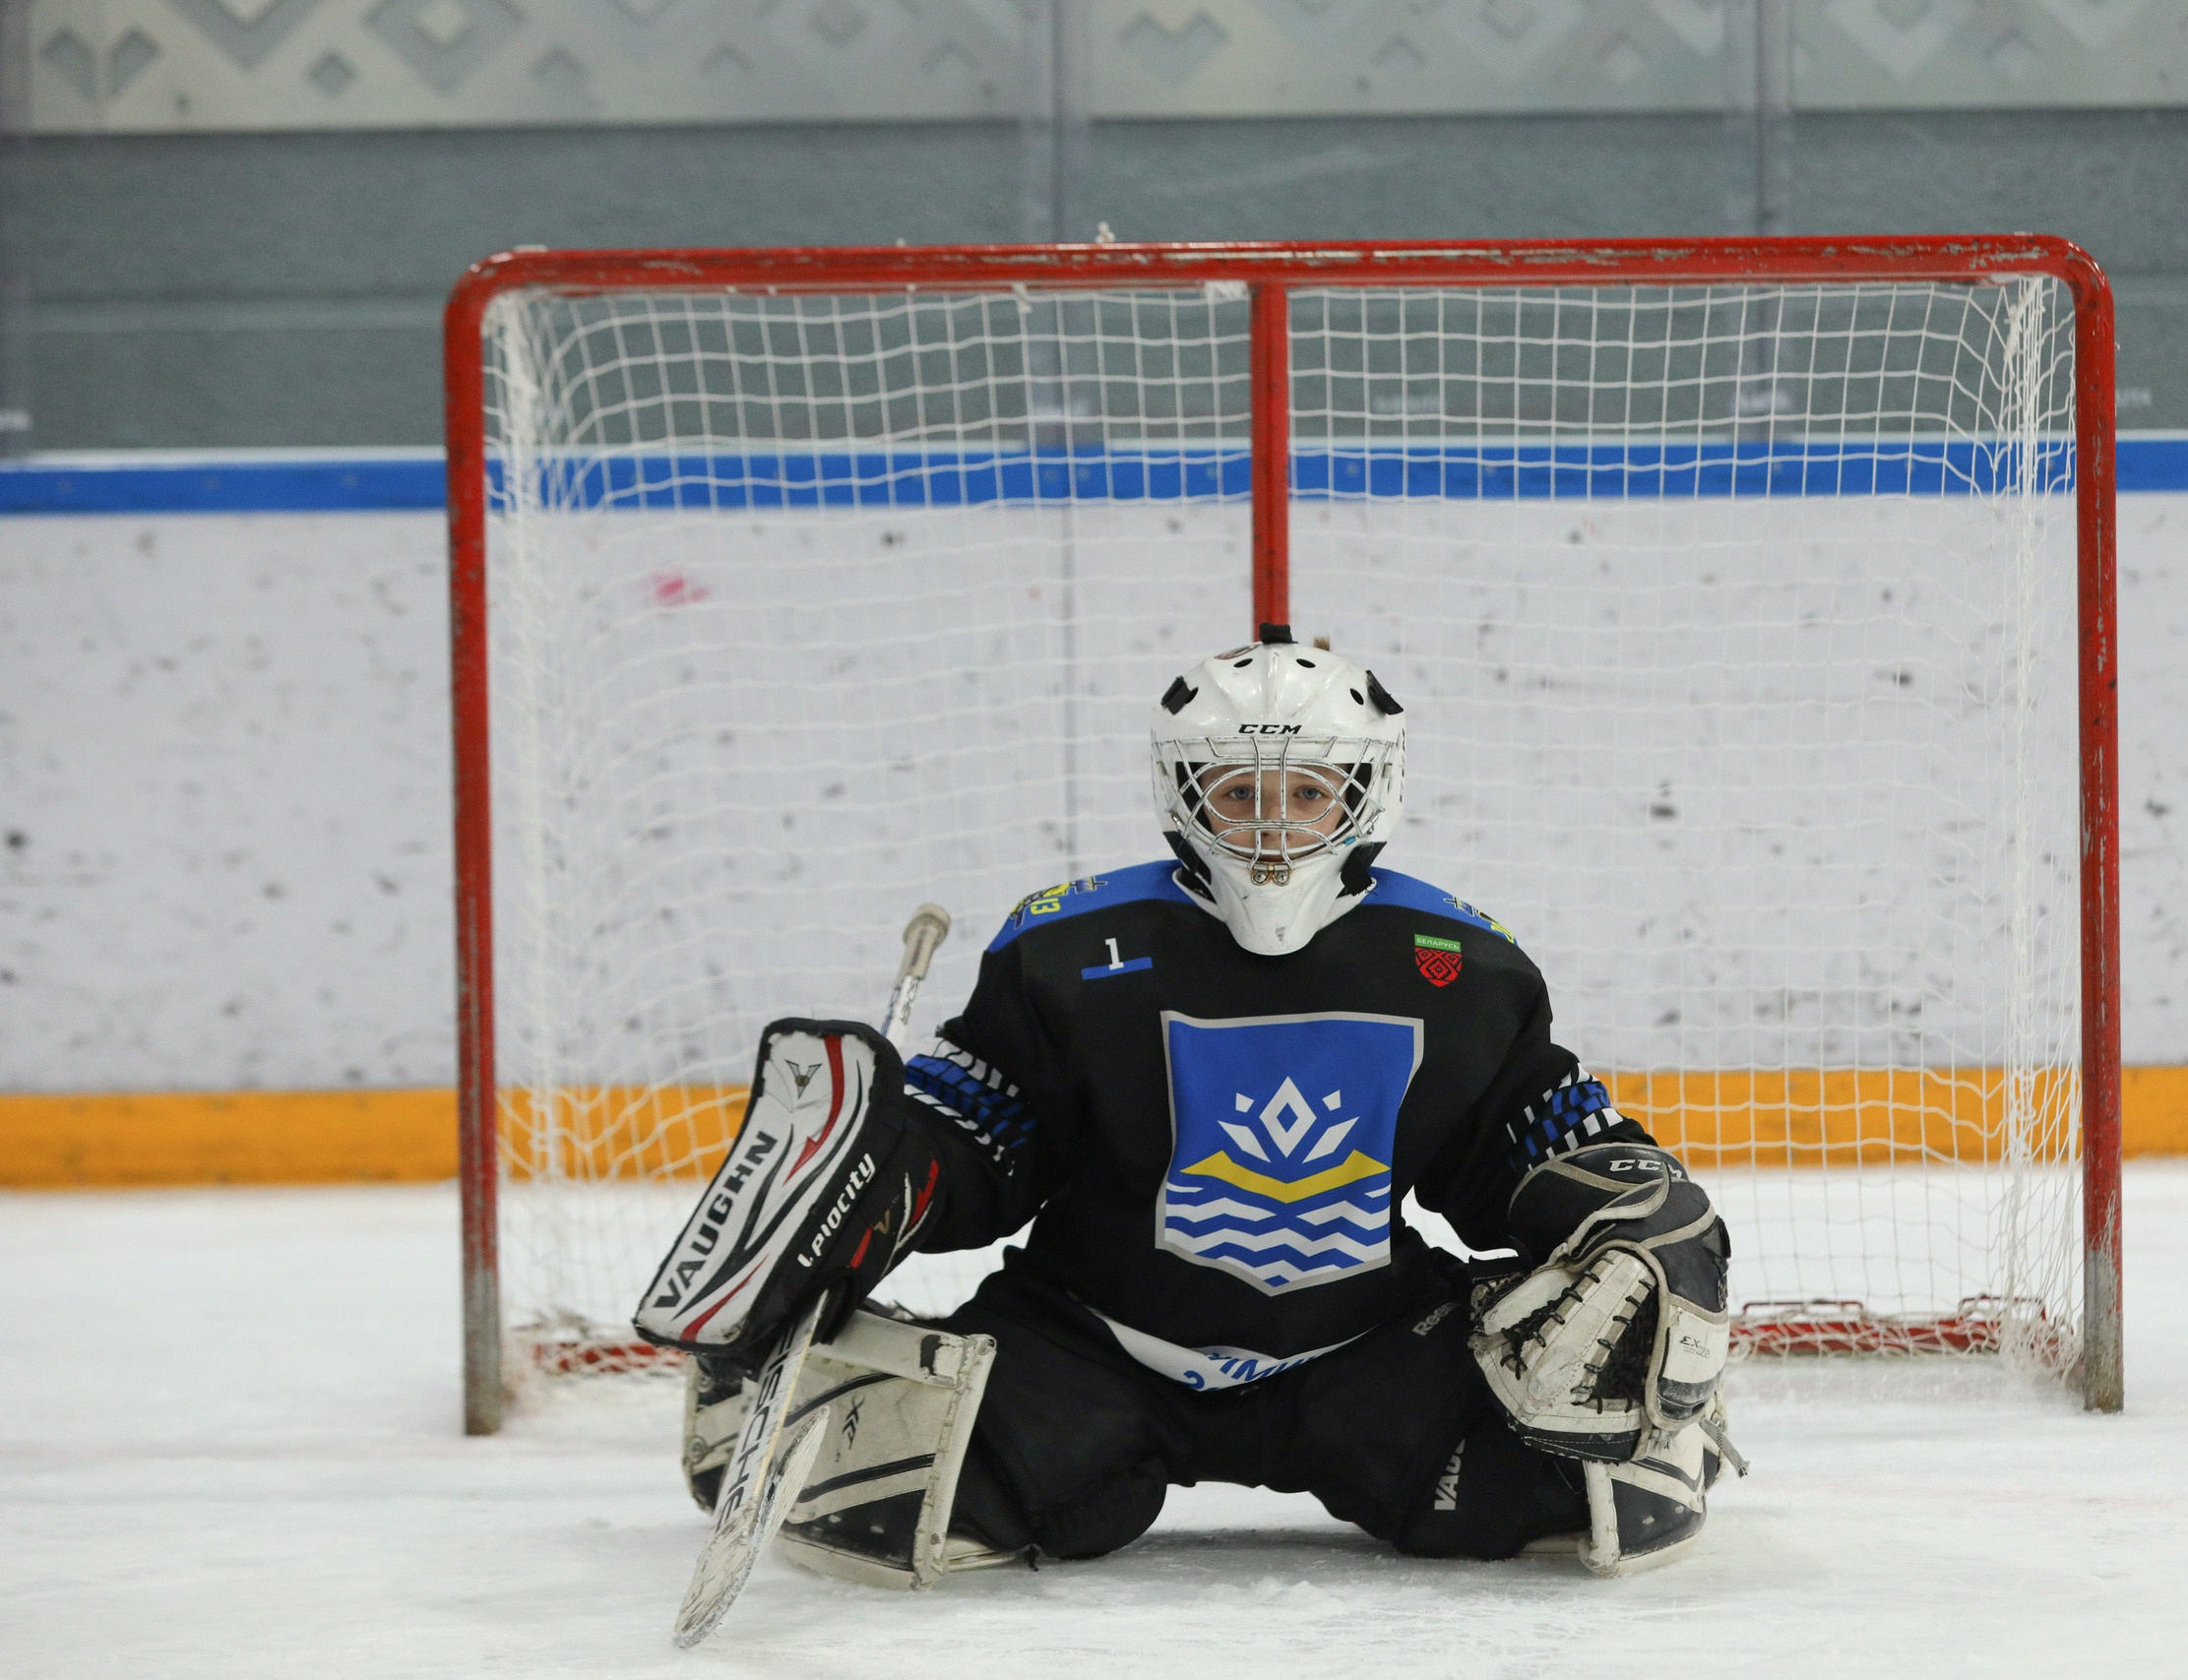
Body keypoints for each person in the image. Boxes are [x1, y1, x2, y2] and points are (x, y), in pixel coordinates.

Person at [638, 626, 1733, 1584]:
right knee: (881, 1508)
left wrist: (1638, 1208)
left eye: (1307, 790)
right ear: (1183, 791)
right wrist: (885, 1176)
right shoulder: (1063, 948)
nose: (1270, 824)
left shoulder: (1459, 963)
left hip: (1365, 1346)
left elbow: (1526, 1140)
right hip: (1095, 1346)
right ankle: (761, 1375)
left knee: (1596, 1495)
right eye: (1237, 789)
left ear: (1366, 793)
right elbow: (986, 1135)